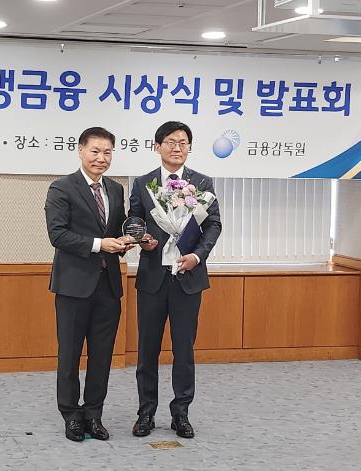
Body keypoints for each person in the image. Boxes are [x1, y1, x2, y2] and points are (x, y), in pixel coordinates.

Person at [128, 121, 222, 439]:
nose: (177, 147)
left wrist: (197, 255)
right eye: (170, 141)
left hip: (188, 277)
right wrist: (142, 240)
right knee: (147, 350)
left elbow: (213, 225)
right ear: (157, 146)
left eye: (183, 142)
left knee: (184, 350)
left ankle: (181, 413)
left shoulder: (202, 182)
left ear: (189, 148)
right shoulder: (143, 183)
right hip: (153, 278)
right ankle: (145, 413)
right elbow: (135, 219)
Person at [45, 126, 129, 442]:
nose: (101, 158)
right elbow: (58, 235)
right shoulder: (62, 188)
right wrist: (99, 244)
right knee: (69, 355)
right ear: (81, 150)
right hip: (73, 286)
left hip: (108, 286)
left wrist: (129, 240)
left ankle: (94, 414)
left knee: (102, 355)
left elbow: (117, 230)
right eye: (95, 151)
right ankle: (71, 415)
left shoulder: (116, 190)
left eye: (107, 152)